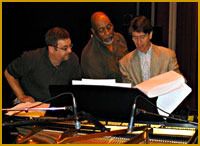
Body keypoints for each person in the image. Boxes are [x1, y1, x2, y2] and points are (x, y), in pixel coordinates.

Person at [4, 27, 81, 103]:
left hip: (57, 106)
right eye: (65, 48)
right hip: (33, 106)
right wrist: (21, 96)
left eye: (70, 46)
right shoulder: (32, 58)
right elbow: (9, 73)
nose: (70, 51)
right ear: (51, 49)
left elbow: (75, 86)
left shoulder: (73, 59)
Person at [119, 16, 180, 86]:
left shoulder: (168, 56)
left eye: (142, 37)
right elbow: (129, 92)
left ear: (150, 35)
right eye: (135, 38)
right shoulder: (124, 63)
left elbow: (179, 81)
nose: (139, 42)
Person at [81, 11, 128, 82]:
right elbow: (101, 89)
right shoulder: (89, 55)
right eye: (101, 30)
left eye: (109, 27)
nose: (108, 33)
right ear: (93, 31)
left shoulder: (119, 38)